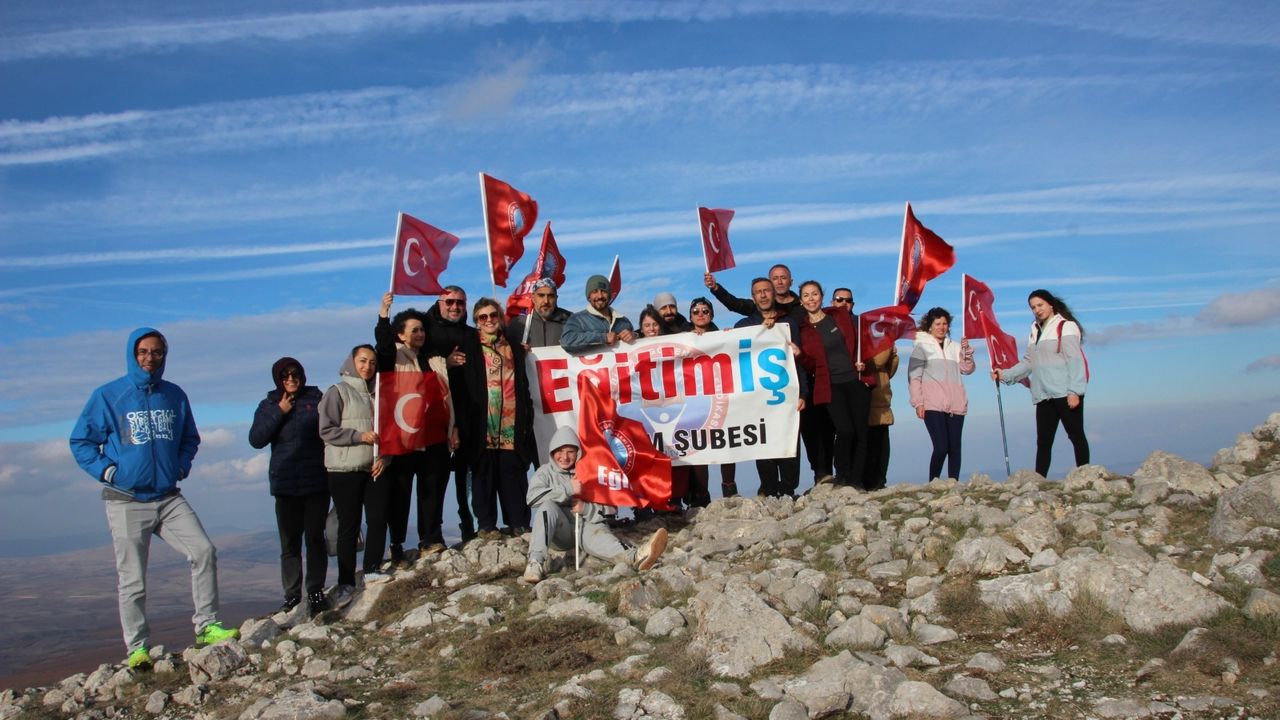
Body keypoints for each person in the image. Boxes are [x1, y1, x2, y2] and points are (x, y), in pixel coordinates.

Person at [70, 328, 239, 670]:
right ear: (132, 355)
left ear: (165, 355)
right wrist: (110, 473)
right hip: (126, 499)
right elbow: (81, 442)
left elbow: (190, 438)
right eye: (143, 352)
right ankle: (137, 648)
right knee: (133, 577)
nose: (150, 358)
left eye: (157, 352)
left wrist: (180, 464)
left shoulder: (174, 395)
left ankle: (207, 626)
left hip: (168, 496)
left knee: (203, 551)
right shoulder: (109, 396)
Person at [521, 427, 669, 584]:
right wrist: (568, 489)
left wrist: (585, 508)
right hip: (560, 532)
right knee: (547, 506)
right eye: (560, 451)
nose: (564, 457)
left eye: (570, 451)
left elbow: (609, 510)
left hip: (586, 526)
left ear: (578, 452)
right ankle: (535, 563)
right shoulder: (545, 472)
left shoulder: (590, 471)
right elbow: (532, 498)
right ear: (552, 452)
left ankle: (637, 557)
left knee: (602, 537)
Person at [376, 293, 458, 561]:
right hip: (403, 438)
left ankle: (431, 538)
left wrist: (452, 428)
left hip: (434, 436)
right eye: (414, 330)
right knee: (400, 494)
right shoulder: (393, 358)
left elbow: (448, 399)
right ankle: (397, 543)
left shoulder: (435, 361)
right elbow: (384, 346)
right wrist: (384, 316)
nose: (420, 334)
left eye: (422, 329)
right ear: (400, 335)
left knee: (432, 490)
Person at [248, 357, 330, 615]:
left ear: (302, 375)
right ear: (278, 379)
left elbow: (331, 430)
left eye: (295, 374)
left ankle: (316, 592)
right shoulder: (269, 404)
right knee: (290, 544)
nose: (291, 379)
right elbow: (256, 439)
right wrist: (279, 411)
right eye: (285, 376)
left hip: (316, 480)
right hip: (285, 484)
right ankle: (292, 596)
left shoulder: (317, 399)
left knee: (315, 539)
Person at [994, 289, 1090, 476]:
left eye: (1040, 305)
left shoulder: (1066, 326)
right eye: (1033, 307)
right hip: (1043, 394)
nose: (1037, 310)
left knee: (1076, 435)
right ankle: (1039, 480)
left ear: (1050, 304)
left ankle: (1086, 476)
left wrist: (1075, 391)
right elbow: (1029, 362)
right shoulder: (1034, 330)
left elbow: (1075, 360)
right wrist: (1005, 375)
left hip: (1065, 392)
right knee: (1044, 441)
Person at [318, 345, 386, 601]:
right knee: (349, 525)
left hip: (374, 467)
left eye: (371, 362)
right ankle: (345, 581)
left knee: (378, 519)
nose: (367, 366)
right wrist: (358, 436)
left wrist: (386, 457)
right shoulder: (337, 392)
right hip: (344, 469)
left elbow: (388, 430)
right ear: (351, 362)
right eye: (362, 361)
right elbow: (326, 430)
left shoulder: (379, 393)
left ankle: (371, 570)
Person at [796, 281, 875, 489]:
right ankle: (841, 476)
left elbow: (861, 342)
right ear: (801, 301)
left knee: (861, 433)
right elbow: (811, 365)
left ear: (822, 297)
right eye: (806, 295)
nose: (811, 299)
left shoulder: (839, 316)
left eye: (814, 294)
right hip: (831, 386)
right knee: (845, 430)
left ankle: (856, 481)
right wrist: (800, 355)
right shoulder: (803, 330)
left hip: (856, 380)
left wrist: (863, 362)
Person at [733, 277, 807, 497]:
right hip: (757, 396)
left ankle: (788, 487)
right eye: (758, 292)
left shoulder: (789, 324)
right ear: (753, 296)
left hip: (785, 393)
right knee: (762, 440)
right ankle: (767, 486)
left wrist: (803, 392)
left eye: (767, 290)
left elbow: (797, 362)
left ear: (774, 294)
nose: (763, 295)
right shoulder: (744, 326)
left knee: (789, 438)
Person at [471, 298, 536, 537]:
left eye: (493, 315)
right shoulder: (470, 347)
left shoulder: (515, 348)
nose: (489, 320)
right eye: (482, 317)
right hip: (483, 424)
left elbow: (524, 384)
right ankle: (487, 526)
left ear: (500, 318)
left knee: (513, 476)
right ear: (476, 322)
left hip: (511, 423)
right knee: (483, 477)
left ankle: (518, 522)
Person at [425, 285, 484, 544]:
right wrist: (443, 363)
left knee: (468, 477)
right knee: (434, 480)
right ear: (439, 303)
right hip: (435, 418)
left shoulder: (472, 335)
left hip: (470, 416)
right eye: (449, 302)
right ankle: (432, 536)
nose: (454, 307)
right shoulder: (425, 332)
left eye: (460, 302)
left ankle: (471, 527)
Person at [909, 307, 975, 481]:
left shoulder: (955, 347)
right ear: (929, 326)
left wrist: (966, 353)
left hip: (956, 404)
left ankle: (953, 483)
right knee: (941, 447)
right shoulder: (921, 348)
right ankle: (934, 483)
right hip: (932, 404)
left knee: (955, 448)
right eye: (937, 323)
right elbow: (914, 377)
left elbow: (967, 370)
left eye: (945, 323)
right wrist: (918, 402)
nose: (941, 327)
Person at [686, 296, 723, 502]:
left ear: (712, 315)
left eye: (705, 311)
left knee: (728, 444)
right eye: (696, 311)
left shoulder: (723, 336)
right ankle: (702, 495)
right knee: (698, 449)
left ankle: (729, 488)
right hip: (694, 403)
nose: (700, 314)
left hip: (719, 398)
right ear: (690, 316)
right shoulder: (683, 336)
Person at [561, 274, 636, 352]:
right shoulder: (577, 319)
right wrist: (603, 338)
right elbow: (566, 341)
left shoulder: (623, 321)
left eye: (604, 291)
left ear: (610, 296)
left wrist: (634, 336)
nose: (600, 296)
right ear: (589, 297)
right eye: (595, 292)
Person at [705, 264, 802, 319]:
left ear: (791, 281)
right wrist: (715, 287)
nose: (780, 282)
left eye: (783, 278)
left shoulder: (804, 306)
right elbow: (734, 303)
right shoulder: (759, 306)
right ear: (769, 283)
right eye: (775, 278)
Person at [865, 342, 899, 490]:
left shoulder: (884, 348)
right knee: (871, 446)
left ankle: (879, 481)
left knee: (882, 447)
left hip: (882, 400)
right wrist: (889, 348)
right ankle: (870, 481)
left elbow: (889, 370)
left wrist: (893, 355)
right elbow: (877, 362)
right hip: (870, 400)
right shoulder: (865, 349)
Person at [507, 279, 572, 349]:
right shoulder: (517, 325)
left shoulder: (571, 322)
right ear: (533, 298)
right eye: (541, 295)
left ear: (556, 298)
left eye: (550, 296)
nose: (546, 301)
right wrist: (518, 352)